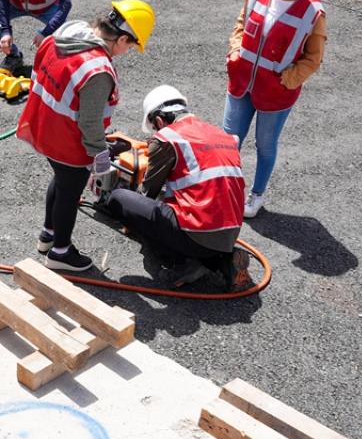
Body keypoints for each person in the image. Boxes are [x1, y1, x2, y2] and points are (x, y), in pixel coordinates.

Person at [16, 0, 154, 272]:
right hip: (67, 141)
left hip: (42, 127)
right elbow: (89, 122)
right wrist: (100, 157)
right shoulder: (97, 70)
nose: (127, 51)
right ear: (122, 38)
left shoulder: (66, 35)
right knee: (70, 192)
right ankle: (60, 252)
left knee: (61, 181)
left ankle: (48, 236)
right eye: (130, 46)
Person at [101, 86, 251, 289]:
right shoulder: (222, 135)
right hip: (230, 231)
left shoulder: (167, 138)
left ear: (160, 121)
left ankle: (183, 262)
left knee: (119, 199)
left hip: (196, 231)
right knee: (179, 219)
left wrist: (131, 218)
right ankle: (223, 260)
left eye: (155, 127)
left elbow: (148, 193)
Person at [223, 0, 327, 218]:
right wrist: (234, 51)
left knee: (265, 146)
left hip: (276, 93)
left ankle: (256, 196)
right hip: (241, 80)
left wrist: (288, 79)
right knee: (228, 141)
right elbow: (241, 24)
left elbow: (313, 59)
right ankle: (222, 190)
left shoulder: (312, 12)